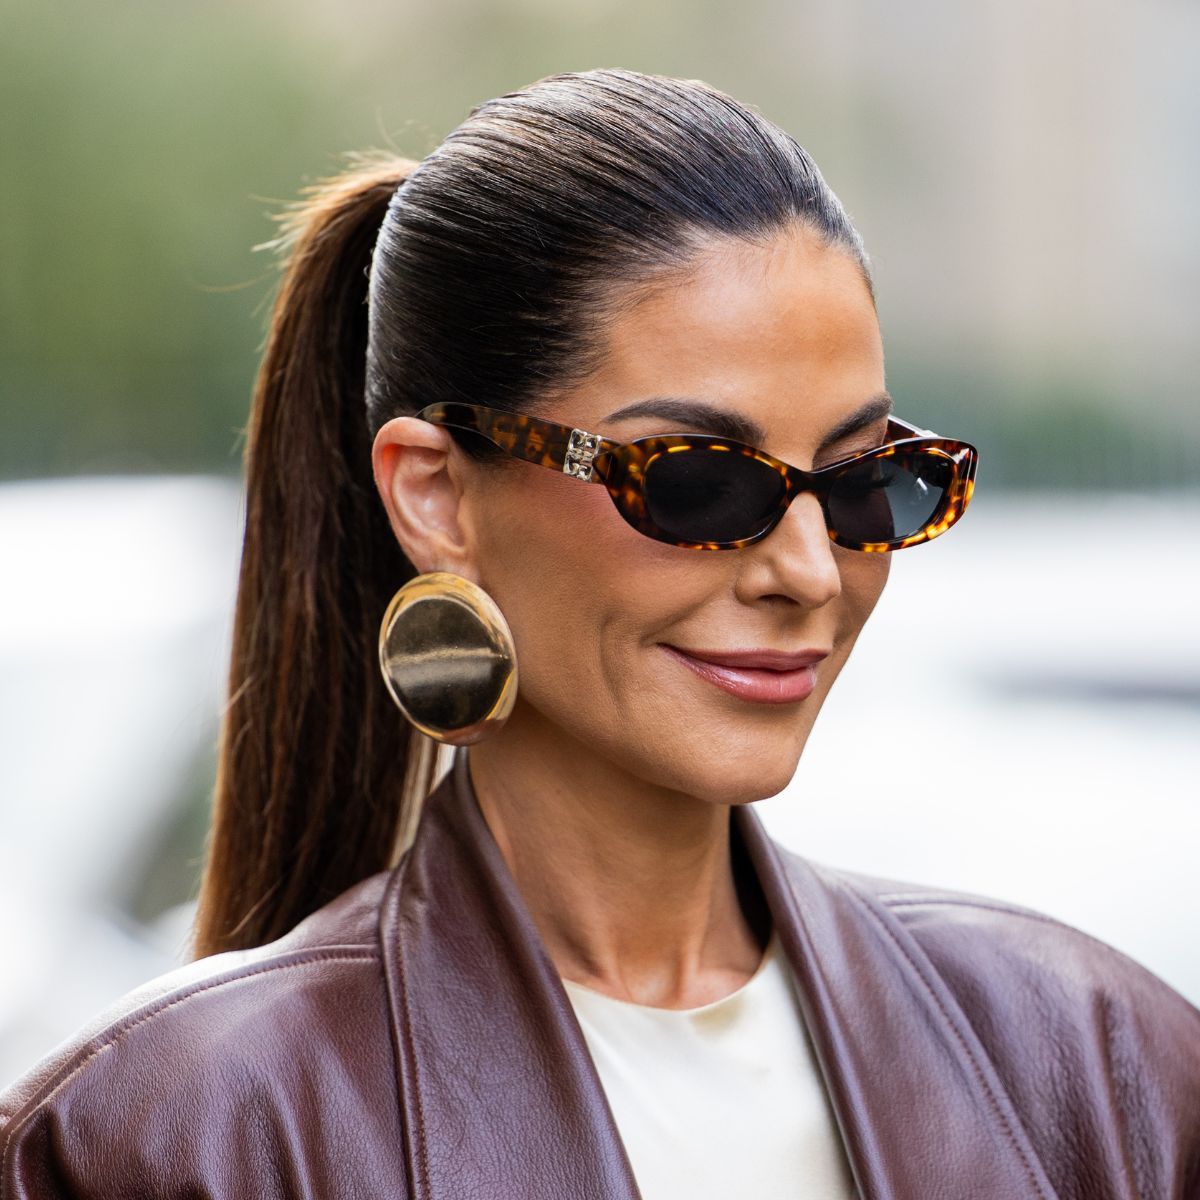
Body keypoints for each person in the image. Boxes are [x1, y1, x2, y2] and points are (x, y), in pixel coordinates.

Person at [1, 67, 1197, 1200]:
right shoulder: (169, 1140)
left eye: (865, 484)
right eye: (697, 482)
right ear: (436, 494)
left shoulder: (1101, 1071)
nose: (806, 572)